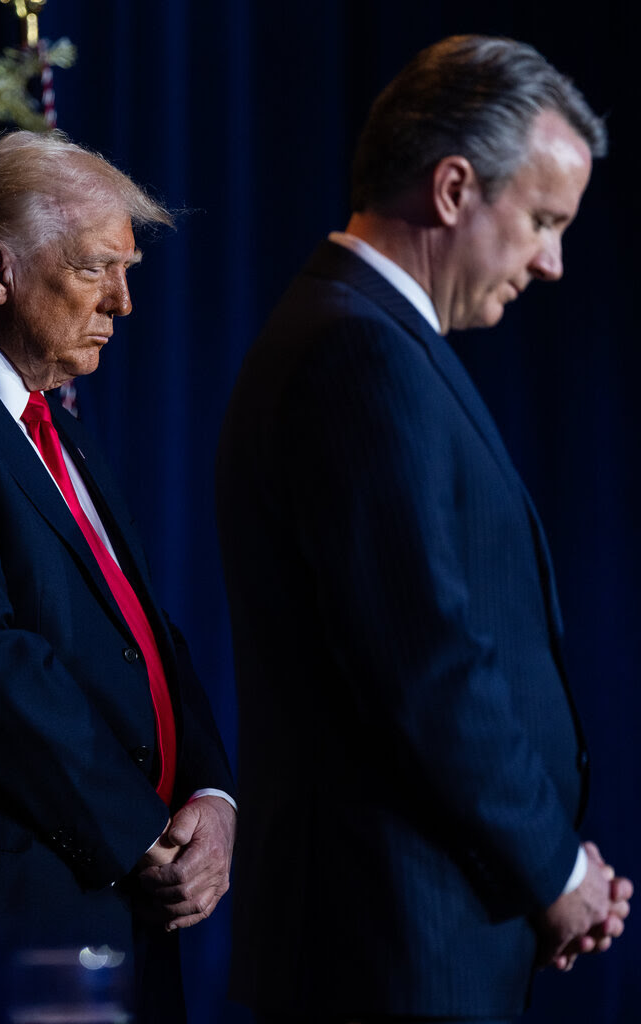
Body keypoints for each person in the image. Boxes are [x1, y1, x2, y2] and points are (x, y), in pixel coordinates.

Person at [217, 34, 632, 1024]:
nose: (552, 262)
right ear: (452, 189)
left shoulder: (371, 339)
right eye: (539, 219)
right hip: (391, 948)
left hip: (423, 930)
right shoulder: (355, 353)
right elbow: (423, 665)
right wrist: (552, 866)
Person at [0, 129, 236, 1023]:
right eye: (93, 269)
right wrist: (138, 833)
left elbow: (140, 629)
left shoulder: (44, 414)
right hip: (22, 912)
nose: (122, 300)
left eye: (129, 271)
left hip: (121, 891)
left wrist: (210, 794)